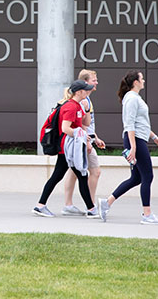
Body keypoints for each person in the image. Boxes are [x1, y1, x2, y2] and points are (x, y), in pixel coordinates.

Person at [98, 70, 158, 225]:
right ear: (135, 82)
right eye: (141, 78)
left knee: (136, 178)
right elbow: (129, 125)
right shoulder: (131, 99)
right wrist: (133, 147)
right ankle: (147, 215)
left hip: (138, 139)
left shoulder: (135, 98)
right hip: (134, 141)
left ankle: (106, 203)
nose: (144, 81)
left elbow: (141, 123)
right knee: (148, 176)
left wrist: (155, 138)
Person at [31, 79, 100, 219]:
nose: (88, 91)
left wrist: (86, 109)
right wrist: (80, 134)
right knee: (81, 175)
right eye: (86, 90)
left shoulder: (78, 106)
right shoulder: (70, 107)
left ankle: (40, 205)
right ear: (79, 92)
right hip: (68, 147)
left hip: (70, 147)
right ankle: (91, 209)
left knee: (60, 175)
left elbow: (85, 122)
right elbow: (65, 128)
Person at [61, 69, 105, 216]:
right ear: (84, 84)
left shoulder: (85, 101)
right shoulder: (79, 102)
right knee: (91, 171)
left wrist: (95, 137)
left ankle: (70, 205)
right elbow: (76, 126)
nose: (96, 82)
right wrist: (86, 140)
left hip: (85, 138)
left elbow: (86, 123)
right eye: (94, 80)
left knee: (74, 172)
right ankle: (90, 206)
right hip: (81, 140)